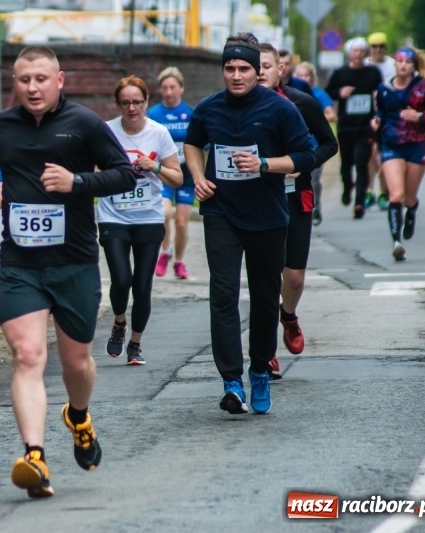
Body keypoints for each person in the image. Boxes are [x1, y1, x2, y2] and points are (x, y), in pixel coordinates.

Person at [0, 45, 137, 497]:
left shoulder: (83, 124)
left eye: (41, 78)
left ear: (60, 80)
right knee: (26, 356)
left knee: (76, 362)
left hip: (75, 262)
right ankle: (34, 456)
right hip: (21, 265)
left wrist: (77, 182)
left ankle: (78, 415)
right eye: (24, 80)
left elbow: (125, 175)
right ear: (14, 82)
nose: (32, 87)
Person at [184, 33, 315, 415]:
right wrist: (197, 176)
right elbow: (193, 143)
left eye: (244, 69)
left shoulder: (279, 109)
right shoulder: (209, 108)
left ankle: (259, 370)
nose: (236, 75)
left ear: (258, 73)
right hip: (221, 211)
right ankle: (230, 381)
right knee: (223, 295)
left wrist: (264, 165)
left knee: (262, 299)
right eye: (230, 68)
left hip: (268, 216)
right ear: (222, 71)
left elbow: (306, 154)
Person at [257, 44, 338, 378]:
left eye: (266, 66)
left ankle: (288, 315)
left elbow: (329, 144)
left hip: (295, 198)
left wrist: (302, 164)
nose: (259, 72)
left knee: (294, 276)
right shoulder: (237, 107)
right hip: (258, 201)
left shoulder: (301, 103)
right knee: (264, 279)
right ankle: (265, 352)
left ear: (281, 69)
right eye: (254, 65)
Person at [99, 75, 183, 365]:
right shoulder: (105, 132)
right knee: (122, 279)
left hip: (148, 217)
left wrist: (155, 165)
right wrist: (113, 174)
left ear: (147, 102)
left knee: (143, 285)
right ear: (118, 104)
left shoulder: (158, 133)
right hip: (113, 217)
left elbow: (177, 176)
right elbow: (92, 172)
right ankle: (120, 321)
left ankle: (135, 343)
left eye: (137, 102)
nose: (132, 108)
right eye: (125, 103)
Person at [371, 47, 425, 262]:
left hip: (416, 145)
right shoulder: (384, 88)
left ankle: (411, 211)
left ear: (413, 65)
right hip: (391, 144)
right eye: (400, 61)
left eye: (407, 62)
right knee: (396, 195)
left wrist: (420, 116)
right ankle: (396, 242)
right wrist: (376, 121)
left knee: (408, 198)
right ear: (395, 64)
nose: (403, 65)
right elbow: (380, 112)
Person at [326, 37, 382, 219]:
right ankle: (347, 187)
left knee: (361, 162)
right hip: (346, 126)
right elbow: (329, 93)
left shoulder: (373, 73)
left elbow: (382, 92)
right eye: (355, 50)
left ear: (365, 53)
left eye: (361, 51)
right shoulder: (340, 73)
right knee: (346, 163)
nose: (358, 54)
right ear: (349, 53)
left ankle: (359, 202)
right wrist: (340, 93)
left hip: (365, 126)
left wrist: (377, 96)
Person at [147, 66, 195, 280]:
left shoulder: (191, 113)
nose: (168, 92)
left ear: (181, 89)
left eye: (172, 87)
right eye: (164, 87)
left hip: (186, 174)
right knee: (165, 214)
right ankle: (165, 252)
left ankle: (179, 261)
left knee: (182, 222)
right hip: (164, 172)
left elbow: (198, 143)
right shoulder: (153, 114)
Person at [294, 60, 337, 226]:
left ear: (312, 78)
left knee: (312, 179)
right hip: (296, 146)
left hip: (316, 146)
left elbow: (332, 115)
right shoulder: (289, 95)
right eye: (300, 75)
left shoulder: (318, 95)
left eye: (307, 75)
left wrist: (313, 120)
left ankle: (314, 208)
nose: (303, 78)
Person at [365, 32, 396, 211]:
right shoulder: (365, 65)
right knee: (371, 155)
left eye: (381, 46)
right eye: (374, 46)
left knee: (384, 155)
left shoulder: (393, 64)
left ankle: (384, 192)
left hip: (387, 115)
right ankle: (370, 190)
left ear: (385, 48)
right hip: (368, 116)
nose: (377, 50)